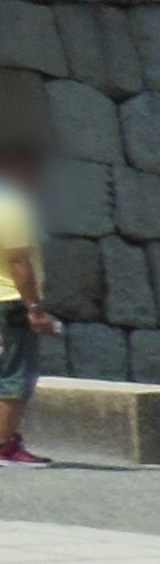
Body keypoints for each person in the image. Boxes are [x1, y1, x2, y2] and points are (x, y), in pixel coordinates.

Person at [0, 144, 49, 469]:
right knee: (16, 378)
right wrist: (35, 308)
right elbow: (19, 261)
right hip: (11, 302)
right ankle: (5, 446)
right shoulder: (13, 206)